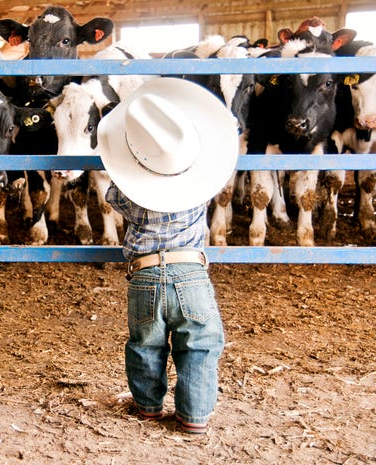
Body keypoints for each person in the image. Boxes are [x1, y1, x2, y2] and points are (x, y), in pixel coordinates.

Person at [97, 77, 239, 434]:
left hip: (144, 274)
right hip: (191, 272)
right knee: (200, 345)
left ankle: (147, 406)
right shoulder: (201, 183)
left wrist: (129, 164)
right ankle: (194, 416)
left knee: (146, 344)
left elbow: (113, 194)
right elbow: (218, 168)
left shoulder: (128, 193)